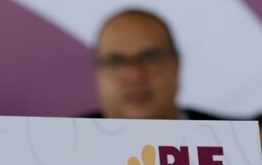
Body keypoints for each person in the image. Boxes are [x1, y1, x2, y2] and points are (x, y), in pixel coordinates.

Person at [87, 9, 220, 120]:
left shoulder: (234, 141)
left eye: (149, 58)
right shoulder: (68, 143)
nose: (135, 75)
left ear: (176, 64)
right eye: (116, 62)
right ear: (97, 72)